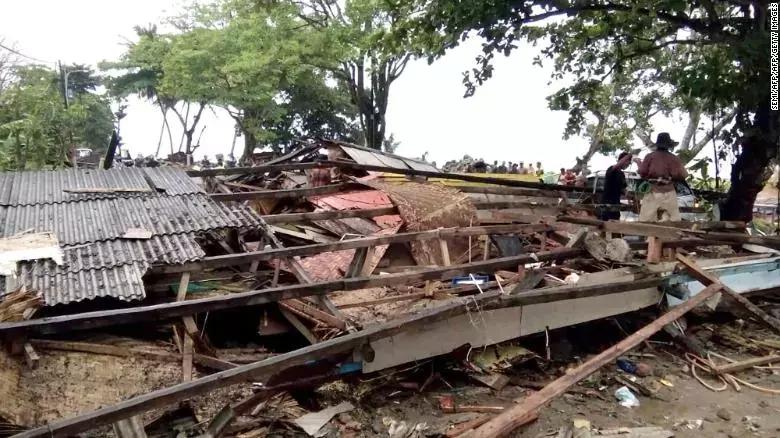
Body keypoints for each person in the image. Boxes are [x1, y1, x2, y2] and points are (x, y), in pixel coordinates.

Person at [637, 132, 688, 222]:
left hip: (652, 191)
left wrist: (640, 165)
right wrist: (671, 178)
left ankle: (649, 231)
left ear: (657, 145)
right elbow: (683, 175)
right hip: (669, 191)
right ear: (668, 145)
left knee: (647, 220)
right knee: (672, 221)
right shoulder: (674, 158)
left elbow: (642, 172)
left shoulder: (650, 156)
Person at [599, 152, 632, 221]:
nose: (628, 165)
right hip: (606, 202)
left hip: (616, 203)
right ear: (623, 160)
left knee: (615, 222)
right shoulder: (611, 169)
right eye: (628, 162)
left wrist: (628, 195)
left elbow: (623, 188)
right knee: (604, 223)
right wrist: (629, 155)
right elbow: (618, 165)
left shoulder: (622, 174)